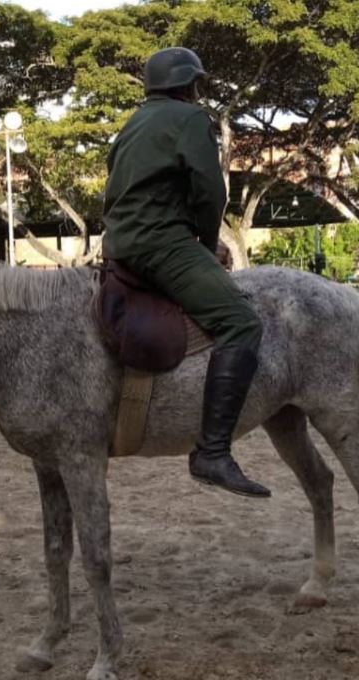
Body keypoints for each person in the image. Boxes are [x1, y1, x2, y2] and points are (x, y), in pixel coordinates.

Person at [102, 47, 270, 498]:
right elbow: (209, 189)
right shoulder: (191, 119)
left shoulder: (132, 125)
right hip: (162, 244)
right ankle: (212, 452)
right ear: (189, 84)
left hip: (120, 245)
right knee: (241, 322)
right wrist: (207, 241)